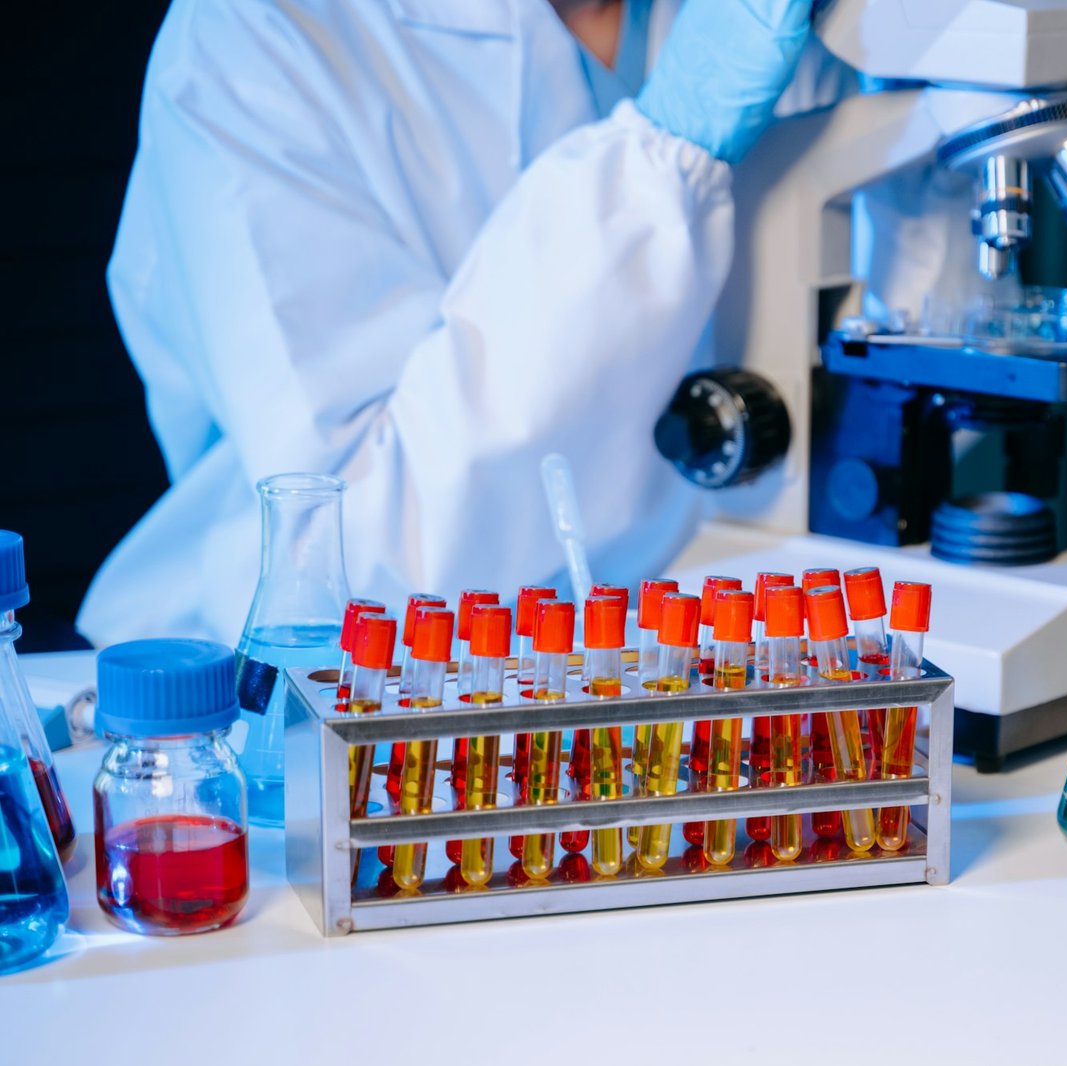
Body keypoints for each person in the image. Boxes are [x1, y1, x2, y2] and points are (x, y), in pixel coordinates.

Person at [79, 0, 846, 645]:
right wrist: (670, 153)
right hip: (311, 724)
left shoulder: (773, 22)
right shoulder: (257, 37)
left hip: (699, 666)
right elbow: (359, 554)